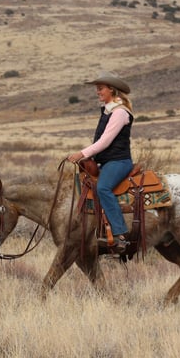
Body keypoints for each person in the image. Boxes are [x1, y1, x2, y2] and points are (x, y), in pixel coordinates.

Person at [67, 70, 134, 254]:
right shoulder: (108, 111)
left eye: (100, 89)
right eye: (97, 89)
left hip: (119, 162)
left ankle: (120, 234)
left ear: (111, 90)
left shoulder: (120, 113)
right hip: (107, 162)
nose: (97, 92)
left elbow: (104, 142)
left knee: (103, 188)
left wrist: (81, 153)